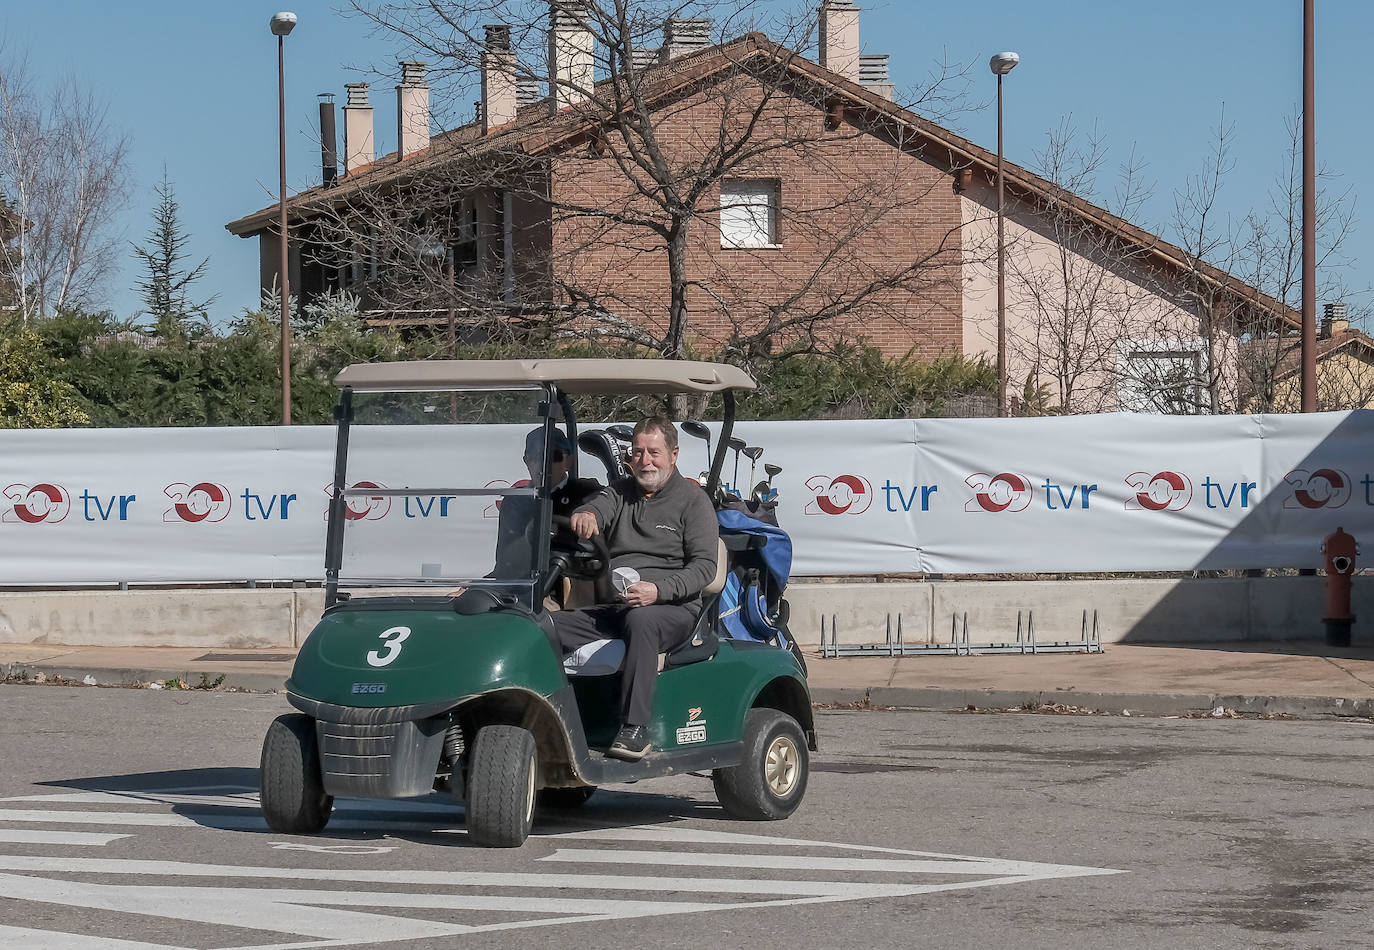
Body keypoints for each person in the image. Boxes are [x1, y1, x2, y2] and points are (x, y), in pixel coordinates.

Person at [552, 416, 719, 761]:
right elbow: (599, 506)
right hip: (621, 606)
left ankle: (635, 728)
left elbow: (705, 567)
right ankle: (547, 716)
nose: (645, 461)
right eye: (638, 452)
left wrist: (657, 590)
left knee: (642, 622)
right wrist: (587, 515)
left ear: (673, 454)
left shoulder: (693, 502)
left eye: (654, 453)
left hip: (673, 610)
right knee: (542, 626)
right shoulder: (620, 492)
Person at [489, 427, 602, 582]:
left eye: (553, 456)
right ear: (526, 461)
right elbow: (506, 562)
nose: (544, 464)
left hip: (569, 585)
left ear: (568, 460)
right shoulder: (515, 500)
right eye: (536, 456)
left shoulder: (588, 494)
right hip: (522, 586)